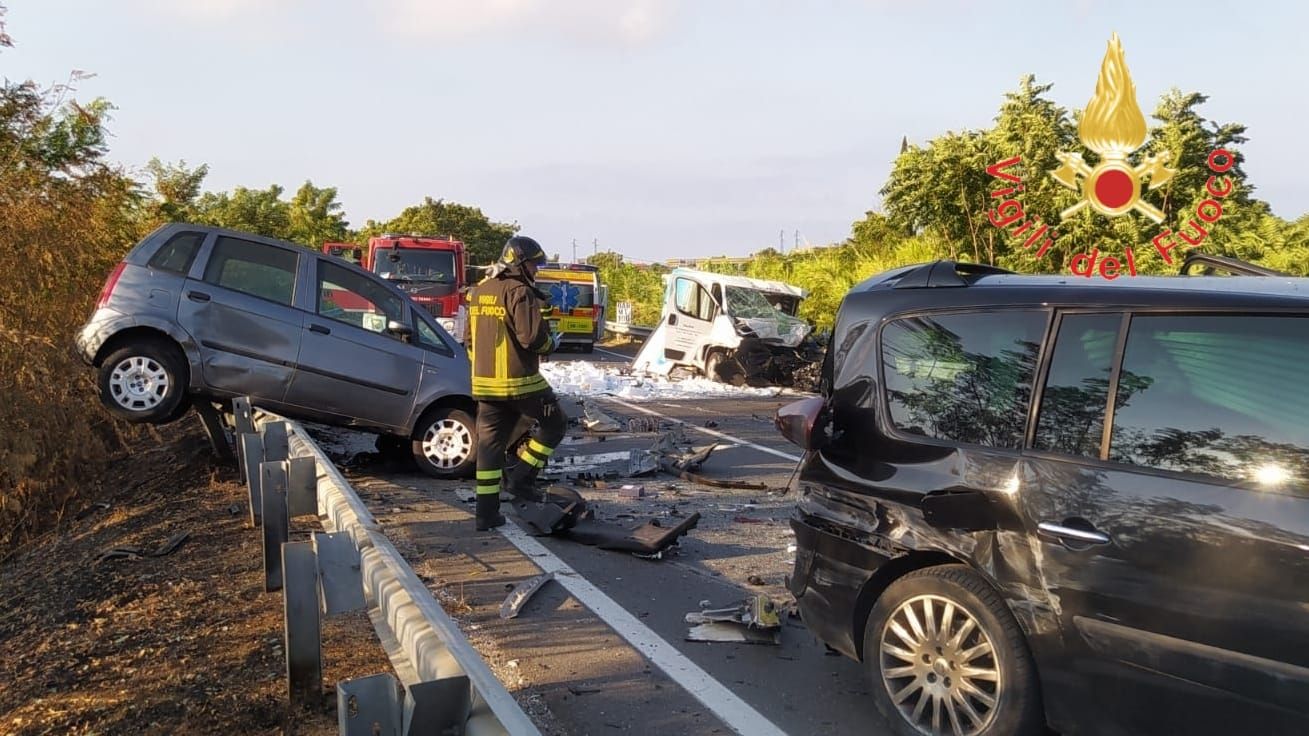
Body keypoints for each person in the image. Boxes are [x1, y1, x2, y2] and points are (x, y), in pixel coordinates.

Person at [466, 236, 566, 531]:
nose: (537, 270)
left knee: (490, 447)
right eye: (535, 264)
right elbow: (533, 339)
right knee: (556, 423)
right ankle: (522, 478)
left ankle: (486, 514)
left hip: (485, 384)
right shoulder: (519, 292)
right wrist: (552, 343)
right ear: (520, 263)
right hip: (520, 382)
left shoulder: (479, 291)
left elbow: (469, 340)